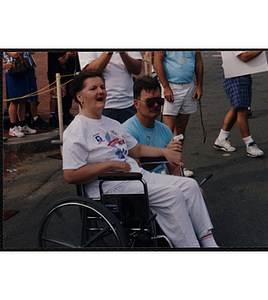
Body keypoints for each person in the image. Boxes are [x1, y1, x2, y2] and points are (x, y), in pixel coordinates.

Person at [62, 69, 218, 248]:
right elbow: (71, 175)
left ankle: (209, 243)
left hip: (136, 177)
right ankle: (190, 247)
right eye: (93, 88)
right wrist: (110, 164)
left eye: (103, 87)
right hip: (110, 188)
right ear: (79, 96)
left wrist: (165, 152)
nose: (101, 91)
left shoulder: (111, 124)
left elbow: (137, 149)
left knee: (190, 186)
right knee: (172, 194)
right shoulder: (76, 130)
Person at [153, 51, 204, 176]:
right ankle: (162, 165)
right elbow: (157, 61)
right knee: (167, 129)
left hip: (188, 86)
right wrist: (165, 87)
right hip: (171, 86)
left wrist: (199, 86)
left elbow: (198, 61)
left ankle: (177, 164)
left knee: (181, 128)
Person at [213, 51, 264, 157]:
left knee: (235, 108)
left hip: (240, 73)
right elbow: (244, 56)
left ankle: (221, 138)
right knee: (242, 110)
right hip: (236, 76)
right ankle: (250, 144)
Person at [78, 51, 143, 123]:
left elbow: (137, 69)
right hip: (102, 106)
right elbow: (89, 72)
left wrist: (123, 54)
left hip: (128, 104)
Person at [47, 51, 80, 127]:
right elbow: (61, 60)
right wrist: (67, 55)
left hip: (65, 73)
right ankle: (54, 115)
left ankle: (64, 113)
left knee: (66, 93)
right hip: (56, 74)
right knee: (55, 96)